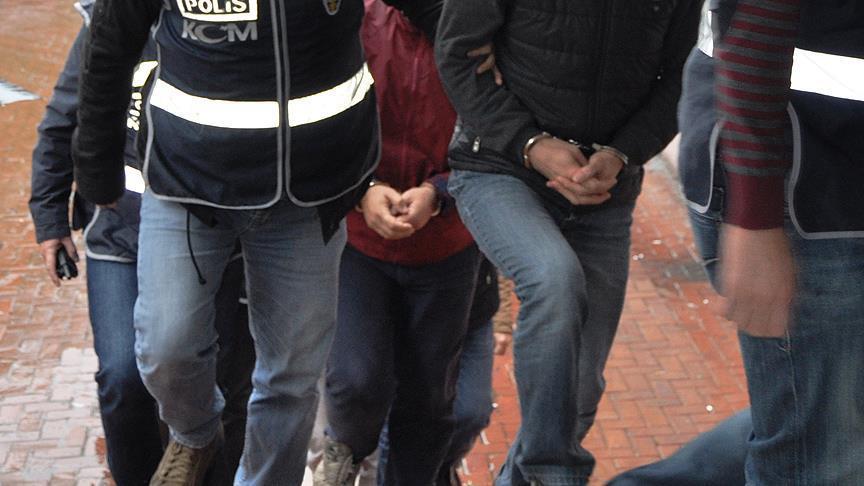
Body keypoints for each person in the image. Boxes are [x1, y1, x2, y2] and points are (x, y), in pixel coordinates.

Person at [71, 0, 380, 483]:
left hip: (311, 187)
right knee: (166, 347)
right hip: (187, 179)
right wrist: (95, 168)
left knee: (291, 377)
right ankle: (195, 433)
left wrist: (480, 48)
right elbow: (111, 41)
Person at [435, 1, 701, 484]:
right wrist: (529, 144)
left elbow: (680, 76)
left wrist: (622, 155)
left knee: (577, 393)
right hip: (499, 167)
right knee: (553, 278)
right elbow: (456, 52)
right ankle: (552, 473)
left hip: (605, 189)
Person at [28, 2, 254, 484]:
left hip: (217, 239)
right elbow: (62, 120)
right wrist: (49, 219)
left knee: (220, 384)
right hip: (120, 236)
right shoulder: (109, 22)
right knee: (123, 377)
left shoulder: (236, 23)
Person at [313, 1, 486, 483]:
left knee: (430, 399)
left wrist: (439, 192)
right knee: (355, 381)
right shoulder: (357, 21)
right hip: (359, 245)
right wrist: (363, 191)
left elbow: (495, 133)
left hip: (448, 248)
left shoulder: (481, 31)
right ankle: (342, 457)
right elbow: (323, 124)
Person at [716, 0, 864, 483]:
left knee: (823, 431)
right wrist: (755, 218)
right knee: (815, 454)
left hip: (825, 192)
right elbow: (756, 27)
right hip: (808, 200)